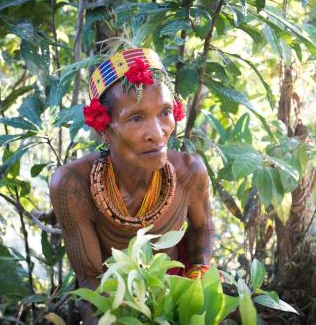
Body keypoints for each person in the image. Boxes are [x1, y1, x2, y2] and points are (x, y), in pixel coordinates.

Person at [49, 48, 214, 322]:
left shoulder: (189, 172)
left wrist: (196, 282)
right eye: (136, 118)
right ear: (103, 127)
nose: (157, 133)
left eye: (164, 112)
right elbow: (91, 281)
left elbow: (203, 226)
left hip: (175, 293)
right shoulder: (73, 185)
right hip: (114, 300)